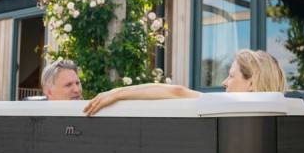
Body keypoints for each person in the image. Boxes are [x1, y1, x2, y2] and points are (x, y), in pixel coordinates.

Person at [83, 49, 286, 116]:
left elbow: (177, 92)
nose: (225, 82)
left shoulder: (230, 109)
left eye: (231, 76)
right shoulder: (282, 114)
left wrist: (116, 93)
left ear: (252, 83)